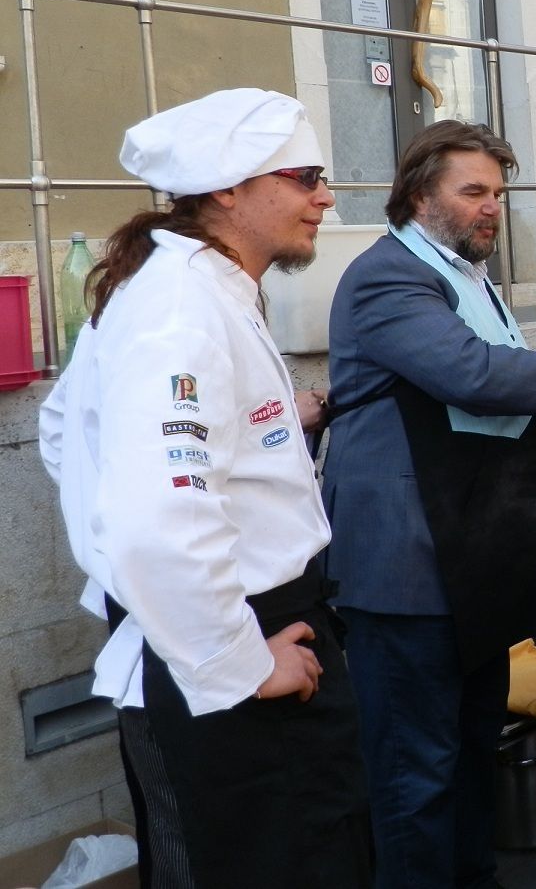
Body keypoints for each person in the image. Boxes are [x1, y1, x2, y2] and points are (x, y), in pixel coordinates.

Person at [38, 89, 371, 888]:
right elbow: (156, 515)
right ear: (228, 187)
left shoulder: (200, 284)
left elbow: (67, 433)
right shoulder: (180, 306)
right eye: (303, 176)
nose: (325, 197)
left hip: (211, 625)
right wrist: (235, 655)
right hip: (237, 650)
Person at [323, 119, 536, 889]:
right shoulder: (387, 276)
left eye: (498, 193)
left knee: (470, 754)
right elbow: (468, 375)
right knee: (414, 777)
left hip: (466, 559)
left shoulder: (466, 275)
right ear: (417, 195)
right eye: (473, 192)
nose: (491, 207)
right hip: (405, 567)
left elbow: (500, 386)